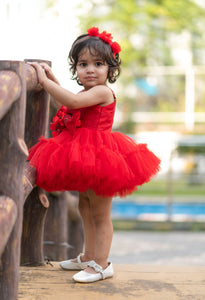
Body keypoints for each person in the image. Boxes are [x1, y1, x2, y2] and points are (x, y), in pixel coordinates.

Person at [26, 26, 161, 283]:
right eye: (83, 64)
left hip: (101, 157)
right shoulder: (84, 92)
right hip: (87, 155)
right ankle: (88, 255)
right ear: (75, 68)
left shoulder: (102, 92)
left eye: (98, 64)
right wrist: (53, 80)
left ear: (110, 69)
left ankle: (102, 264)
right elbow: (65, 104)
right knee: (84, 207)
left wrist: (44, 82)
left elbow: (73, 104)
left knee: (100, 213)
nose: (90, 69)